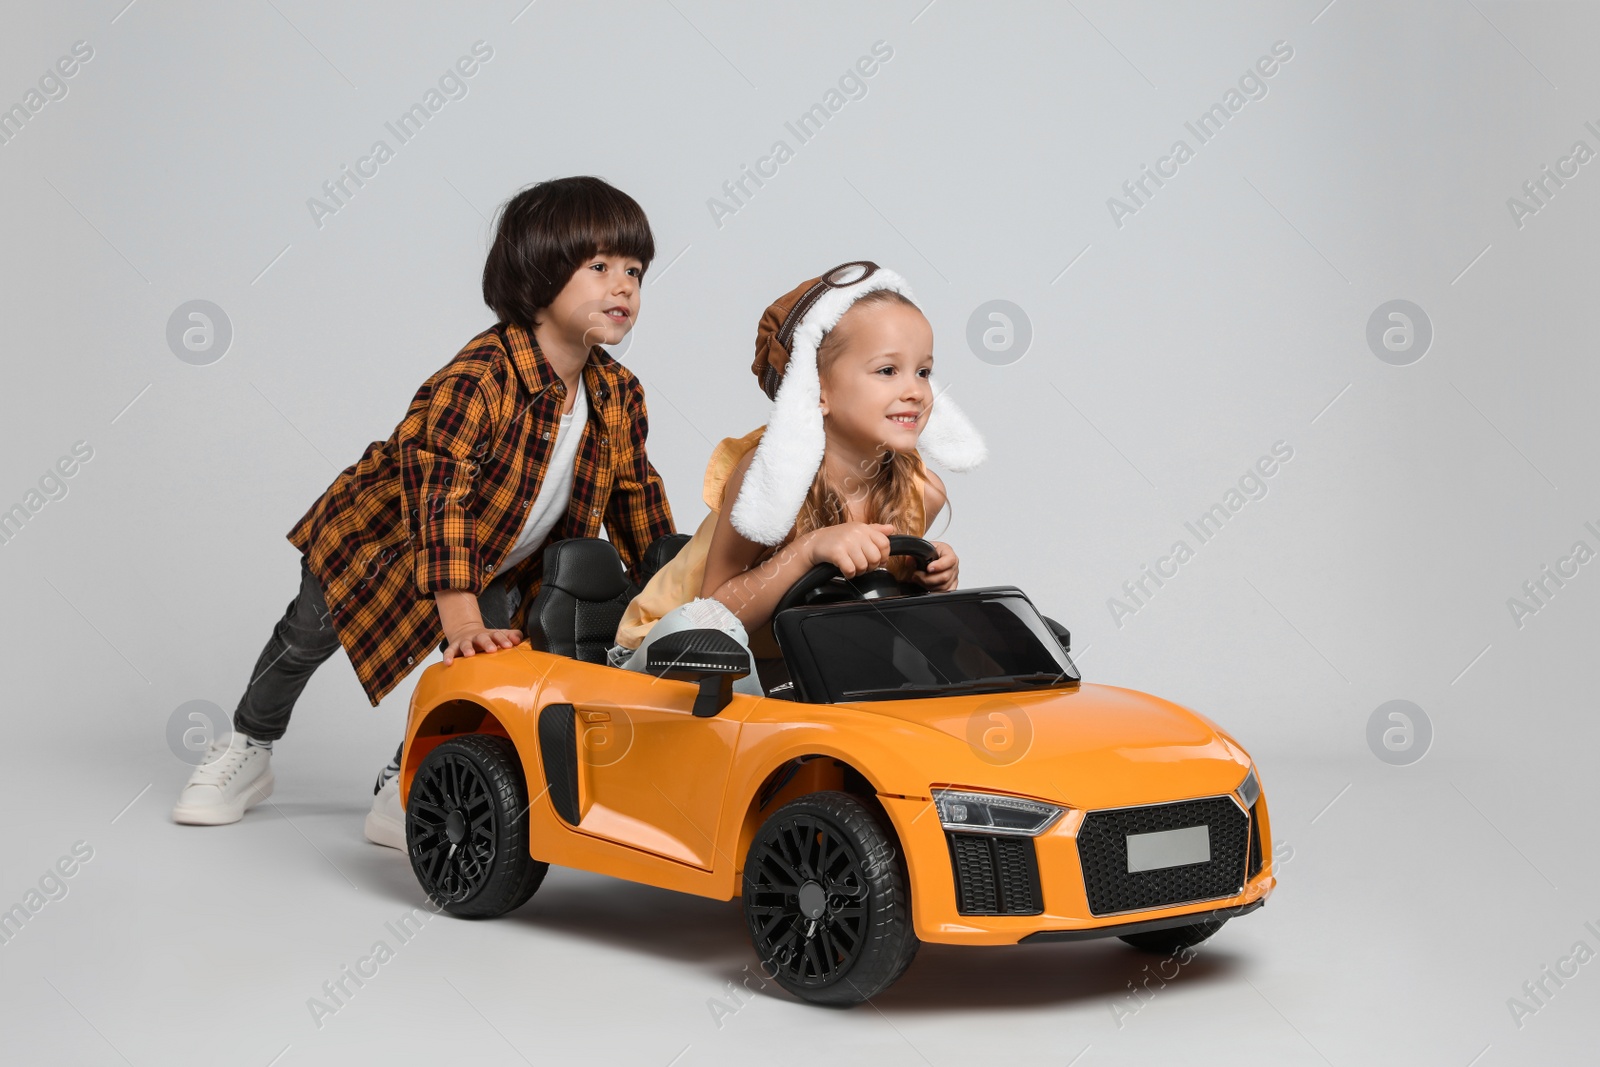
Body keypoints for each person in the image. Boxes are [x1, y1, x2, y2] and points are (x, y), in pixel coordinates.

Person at [171, 176, 675, 846]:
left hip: (498, 563)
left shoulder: (618, 394)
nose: (624, 288)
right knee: (305, 634)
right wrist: (457, 609)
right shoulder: (483, 376)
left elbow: (635, 494)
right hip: (380, 541)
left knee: (485, 667)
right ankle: (248, 744)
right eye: (601, 267)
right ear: (541, 273)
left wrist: (674, 590)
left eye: (635, 271)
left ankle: (408, 773)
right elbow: (441, 490)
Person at [608, 260, 987, 683]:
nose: (915, 390)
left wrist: (929, 579)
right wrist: (807, 551)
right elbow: (714, 614)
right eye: (887, 370)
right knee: (711, 647)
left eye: (923, 372)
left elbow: (868, 607)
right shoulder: (769, 475)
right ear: (818, 388)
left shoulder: (922, 493)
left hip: (792, 667)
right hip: (675, 654)